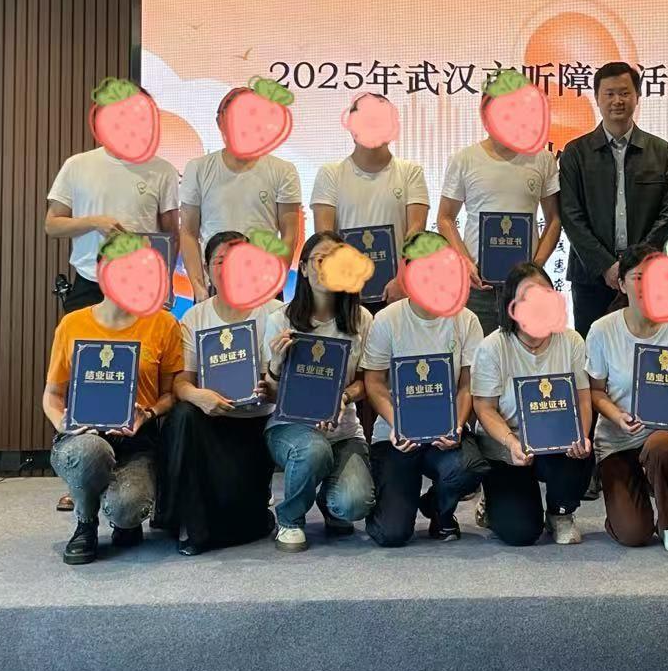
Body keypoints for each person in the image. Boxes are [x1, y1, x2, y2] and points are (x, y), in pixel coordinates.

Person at [41, 258, 182, 565]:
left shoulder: (164, 324)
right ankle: (86, 523)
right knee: (91, 451)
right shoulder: (72, 324)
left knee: (128, 509)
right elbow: (52, 395)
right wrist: (62, 423)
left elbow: (170, 395)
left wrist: (148, 413)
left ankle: (121, 516)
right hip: (82, 438)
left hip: (137, 441)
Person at [157, 230, 282, 556]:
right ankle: (189, 525)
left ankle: (243, 515)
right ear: (207, 268)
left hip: (256, 424)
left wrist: (270, 388)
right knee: (183, 414)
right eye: (221, 261)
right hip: (209, 421)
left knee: (247, 520)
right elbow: (181, 383)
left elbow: (285, 383)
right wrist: (200, 397)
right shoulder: (195, 316)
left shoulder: (275, 312)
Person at [361, 240, 490, 545]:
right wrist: (397, 424)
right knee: (391, 534)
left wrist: (457, 425)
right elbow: (374, 383)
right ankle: (390, 501)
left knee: (468, 468)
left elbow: (467, 385)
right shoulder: (387, 320)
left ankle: (438, 509)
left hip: (444, 434)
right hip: (395, 437)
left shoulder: (465, 320)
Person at [584, 245, 668, 552]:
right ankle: (631, 496)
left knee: (662, 446)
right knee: (633, 534)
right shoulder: (602, 330)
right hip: (617, 439)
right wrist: (617, 416)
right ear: (621, 283)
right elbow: (595, 391)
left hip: (663, 435)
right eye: (639, 277)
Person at [262, 230, 375, 551]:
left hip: (343, 431)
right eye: (320, 259)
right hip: (290, 427)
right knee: (313, 450)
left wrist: (343, 397)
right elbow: (271, 394)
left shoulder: (361, 319)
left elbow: (366, 382)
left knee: (353, 504)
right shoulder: (280, 320)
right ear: (303, 267)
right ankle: (290, 519)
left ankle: (330, 501)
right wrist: (275, 364)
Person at [470, 264, 595, 545]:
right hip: (508, 446)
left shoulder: (571, 341)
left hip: (557, 442)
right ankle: (492, 501)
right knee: (521, 533)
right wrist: (511, 443)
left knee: (583, 453)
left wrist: (581, 435)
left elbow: (583, 398)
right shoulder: (493, 347)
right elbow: (484, 408)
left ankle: (560, 513)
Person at [557, 62, 668, 336]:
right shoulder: (576, 153)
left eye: (624, 93)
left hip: (645, 277)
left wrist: (635, 266)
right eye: (609, 94)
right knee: (593, 351)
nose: (617, 101)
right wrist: (605, 266)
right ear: (597, 98)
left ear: (637, 96)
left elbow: (667, 211)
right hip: (591, 277)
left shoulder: (660, 151)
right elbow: (571, 215)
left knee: (646, 349)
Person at [437, 102, 562, 335]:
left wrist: (535, 267)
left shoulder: (542, 159)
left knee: (529, 353)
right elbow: (445, 217)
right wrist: (465, 262)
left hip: (527, 287)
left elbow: (554, 219)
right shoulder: (464, 159)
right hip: (478, 285)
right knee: (476, 353)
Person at [179, 87, 303, 302]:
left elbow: (289, 235)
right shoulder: (198, 168)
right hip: (216, 282)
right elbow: (188, 232)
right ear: (220, 122)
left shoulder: (283, 170)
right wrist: (199, 287)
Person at [310, 97, 429, 317]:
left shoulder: (410, 172)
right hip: (346, 293)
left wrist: (402, 277)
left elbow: (416, 231)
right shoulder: (331, 174)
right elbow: (324, 236)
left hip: (398, 291)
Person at [45, 121, 179, 313]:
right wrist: (94, 222)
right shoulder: (77, 165)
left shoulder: (163, 170)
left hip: (141, 282)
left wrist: (165, 283)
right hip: (90, 281)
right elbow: (52, 225)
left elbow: (172, 237)